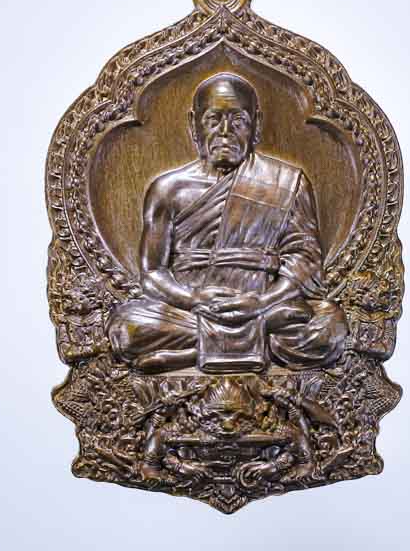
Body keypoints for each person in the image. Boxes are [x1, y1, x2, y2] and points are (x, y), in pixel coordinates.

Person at [107, 72, 346, 373]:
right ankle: (254, 339)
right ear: (194, 126)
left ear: (256, 126)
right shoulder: (168, 189)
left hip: (264, 303)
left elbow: (304, 261)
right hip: (194, 310)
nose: (225, 132)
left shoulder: (288, 182)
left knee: (330, 326)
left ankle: (193, 352)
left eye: (238, 121)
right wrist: (193, 298)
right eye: (213, 119)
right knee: (127, 327)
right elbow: (153, 273)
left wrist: (262, 302)